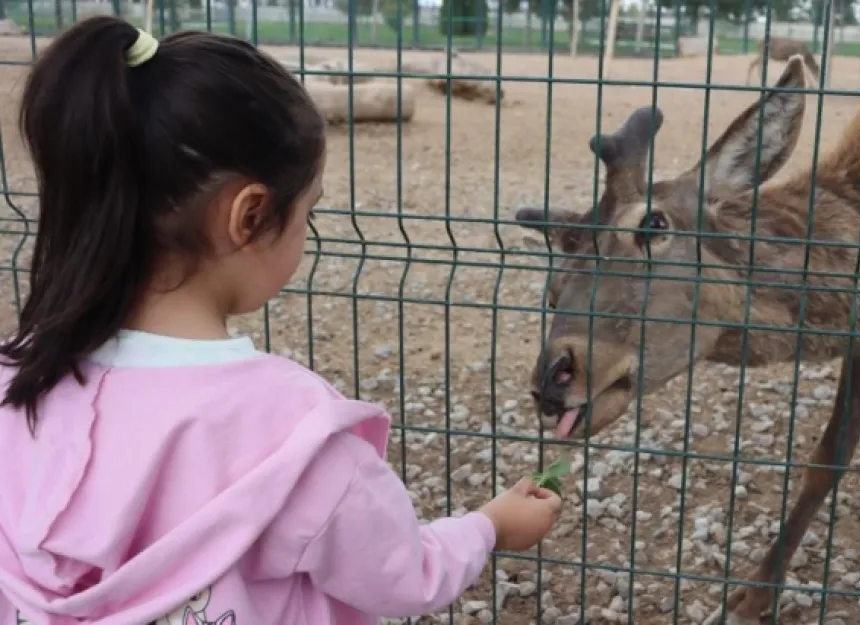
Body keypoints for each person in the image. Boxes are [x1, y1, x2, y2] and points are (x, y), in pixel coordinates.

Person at [0, 15, 563, 625]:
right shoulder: (293, 434)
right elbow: (403, 575)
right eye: (308, 211)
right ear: (249, 216)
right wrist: (486, 528)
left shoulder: (18, 380)